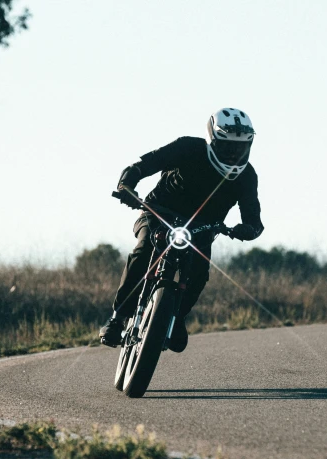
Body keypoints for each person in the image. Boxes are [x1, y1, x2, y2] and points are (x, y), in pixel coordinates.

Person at [99, 108, 264, 352]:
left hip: (201, 230)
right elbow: (142, 166)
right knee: (143, 251)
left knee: (199, 273)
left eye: (239, 148)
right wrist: (127, 186)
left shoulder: (247, 176)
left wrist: (248, 230)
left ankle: (176, 318)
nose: (233, 153)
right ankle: (117, 318)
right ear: (212, 140)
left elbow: (254, 219)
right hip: (156, 214)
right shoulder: (187, 148)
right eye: (227, 146)